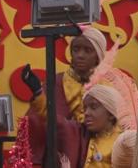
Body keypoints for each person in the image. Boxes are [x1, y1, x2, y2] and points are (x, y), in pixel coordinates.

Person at [25, 26, 107, 164]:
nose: (80, 55)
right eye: (76, 49)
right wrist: (38, 95)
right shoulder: (55, 81)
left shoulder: (107, 87)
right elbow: (36, 122)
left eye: (87, 50)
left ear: (98, 56)